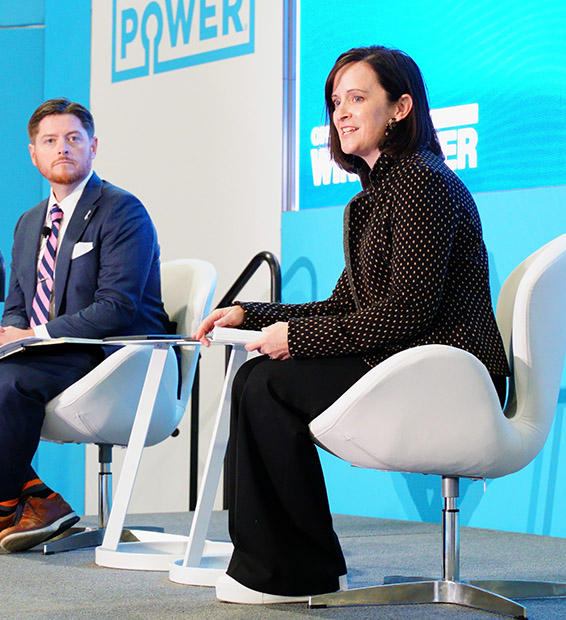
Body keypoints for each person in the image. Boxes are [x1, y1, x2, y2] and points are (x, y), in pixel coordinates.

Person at [194, 46, 510, 604]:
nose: (341, 112)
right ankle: (283, 565)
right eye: (336, 101)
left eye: (358, 98)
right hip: (411, 363)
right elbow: (347, 305)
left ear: (401, 108)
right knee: (254, 378)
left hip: (450, 377)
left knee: (266, 383)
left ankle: (297, 571)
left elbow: (408, 311)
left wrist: (295, 340)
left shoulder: (421, 183)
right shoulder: (377, 196)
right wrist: (253, 313)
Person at [0, 98, 171, 552]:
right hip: (47, 354)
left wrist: (31, 339)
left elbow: (115, 308)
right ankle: (36, 496)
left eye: (74, 139)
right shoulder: (28, 223)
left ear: (93, 147)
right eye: (51, 141)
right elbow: (18, 306)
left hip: (110, 355)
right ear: (34, 153)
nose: (63, 148)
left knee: (15, 377)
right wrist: (5, 338)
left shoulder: (122, 211)